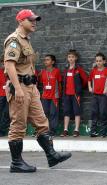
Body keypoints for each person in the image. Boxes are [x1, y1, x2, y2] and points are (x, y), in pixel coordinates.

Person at [3, 9, 71, 173]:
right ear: (20, 21)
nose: (34, 22)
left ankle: (51, 155)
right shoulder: (14, 40)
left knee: (42, 122)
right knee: (18, 125)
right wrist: (18, 89)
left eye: (35, 20)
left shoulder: (26, 40)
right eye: (30, 20)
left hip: (30, 88)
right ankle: (16, 163)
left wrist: (32, 88)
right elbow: (9, 65)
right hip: (19, 87)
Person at [60, 49, 88, 137]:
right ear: (67, 59)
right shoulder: (65, 70)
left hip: (76, 94)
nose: (71, 59)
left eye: (72, 57)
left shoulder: (78, 70)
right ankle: (65, 129)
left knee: (77, 112)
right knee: (66, 112)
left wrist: (79, 88)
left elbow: (85, 80)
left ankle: (76, 130)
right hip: (66, 94)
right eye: (69, 57)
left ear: (75, 58)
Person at [88, 52, 107, 137]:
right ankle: (93, 131)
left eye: (100, 61)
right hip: (95, 95)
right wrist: (90, 87)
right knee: (94, 113)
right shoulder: (93, 71)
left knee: (103, 113)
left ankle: (104, 132)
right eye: (97, 61)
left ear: (104, 61)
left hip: (103, 96)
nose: (98, 62)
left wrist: (106, 88)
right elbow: (89, 80)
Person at [39, 54, 62, 137]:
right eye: (45, 60)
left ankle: (52, 130)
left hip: (54, 96)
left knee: (53, 113)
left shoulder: (57, 71)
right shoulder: (42, 72)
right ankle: (44, 130)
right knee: (45, 113)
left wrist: (58, 94)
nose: (45, 61)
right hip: (45, 96)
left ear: (53, 62)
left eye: (47, 60)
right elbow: (42, 84)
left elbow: (59, 83)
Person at [0, 55, 10, 137]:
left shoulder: (12, 72)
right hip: (1, 95)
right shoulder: (0, 72)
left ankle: (3, 130)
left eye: (5, 62)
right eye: (2, 63)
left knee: (6, 113)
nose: (4, 64)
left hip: (9, 96)